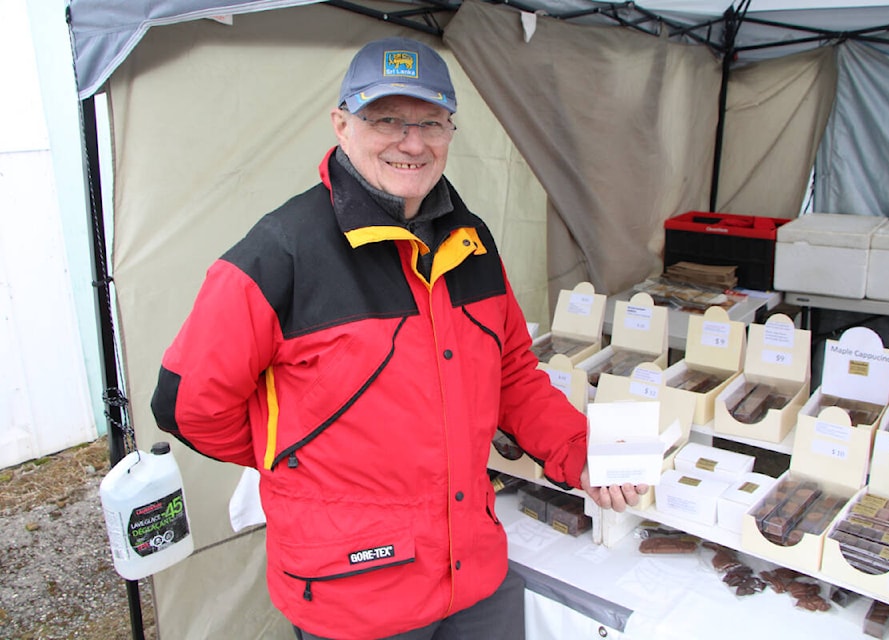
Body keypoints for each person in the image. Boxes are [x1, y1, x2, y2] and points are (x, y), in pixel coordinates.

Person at [150, 36, 646, 640]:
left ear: (450, 132)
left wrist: (580, 451)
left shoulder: (472, 241)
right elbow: (188, 403)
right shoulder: (281, 251)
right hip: (353, 594)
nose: (412, 142)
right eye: (386, 119)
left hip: (473, 578)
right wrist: (295, 461)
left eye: (432, 121)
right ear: (341, 123)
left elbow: (511, 374)